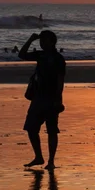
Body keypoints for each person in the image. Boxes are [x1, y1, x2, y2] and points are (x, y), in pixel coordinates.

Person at [20, 30, 66, 170]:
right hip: (38, 97)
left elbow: (60, 80)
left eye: (44, 41)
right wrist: (30, 39)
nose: (42, 43)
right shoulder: (40, 55)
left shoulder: (58, 59)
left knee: (52, 130)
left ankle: (51, 161)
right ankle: (38, 157)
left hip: (51, 98)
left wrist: (58, 99)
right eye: (41, 41)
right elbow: (21, 55)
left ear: (52, 42)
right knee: (31, 128)